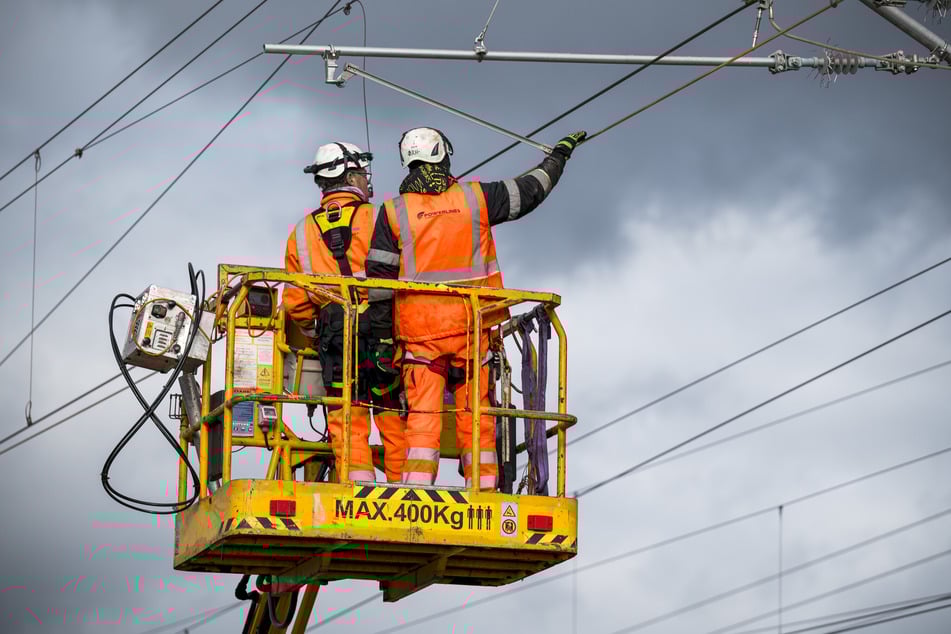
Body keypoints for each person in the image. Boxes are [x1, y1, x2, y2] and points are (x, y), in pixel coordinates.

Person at [365, 127, 585, 489]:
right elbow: (531, 191)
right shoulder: (476, 198)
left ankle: (416, 492)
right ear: (443, 154)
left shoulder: (394, 212)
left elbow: (378, 285)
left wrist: (381, 341)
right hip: (472, 331)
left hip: (421, 338)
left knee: (422, 418)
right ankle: (483, 492)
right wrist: (558, 157)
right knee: (477, 417)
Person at [283, 141, 406, 483]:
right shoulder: (379, 217)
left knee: (345, 414)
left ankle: (358, 488)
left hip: (335, 333)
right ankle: (403, 489)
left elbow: (295, 303)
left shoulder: (301, 233)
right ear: (351, 174)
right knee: (392, 412)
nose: (368, 181)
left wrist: (317, 332)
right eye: (363, 174)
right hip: (382, 327)